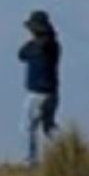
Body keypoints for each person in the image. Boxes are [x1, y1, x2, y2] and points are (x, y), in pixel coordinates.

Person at [18, 10, 62, 166]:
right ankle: (68, 148)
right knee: (49, 127)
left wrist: (34, 39)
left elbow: (22, 54)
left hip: (37, 93)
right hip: (53, 92)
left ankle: (30, 160)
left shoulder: (37, 46)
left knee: (27, 127)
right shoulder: (54, 45)